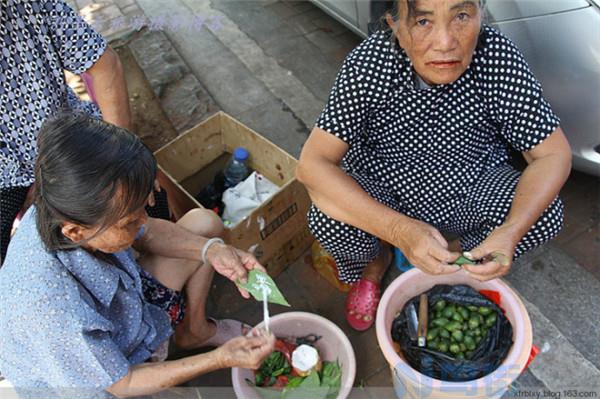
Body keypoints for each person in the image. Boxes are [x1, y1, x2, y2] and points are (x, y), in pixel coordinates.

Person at [296, 0, 572, 331]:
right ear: (395, 26)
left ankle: (454, 258)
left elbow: (553, 154)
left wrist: (509, 233)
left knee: (544, 214)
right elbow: (312, 165)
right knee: (329, 220)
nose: (445, 42)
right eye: (423, 22)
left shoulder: (497, 57)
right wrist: (398, 230)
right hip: (386, 187)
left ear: (480, 14)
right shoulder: (371, 63)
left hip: (469, 188)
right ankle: (375, 263)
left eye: (461, 16)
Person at [0, 114, 275, 397]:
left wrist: (213, 251)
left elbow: (148, 232)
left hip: (128, 316)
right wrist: (219, 359)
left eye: (142, 209)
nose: (144, 222)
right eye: (129, 222)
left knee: (206, 227)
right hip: (102, 379)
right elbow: (122, 383)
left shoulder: (63, 203)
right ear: (75, 232)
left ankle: (194, 332)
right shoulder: (52, 313)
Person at [0, 0, 169, 265]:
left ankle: (157, 281)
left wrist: (121, 161)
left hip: (68, 132)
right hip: (6, 171)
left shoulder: (30, 4)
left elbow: (105, 65)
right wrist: (41, 180)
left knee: (148, 196)